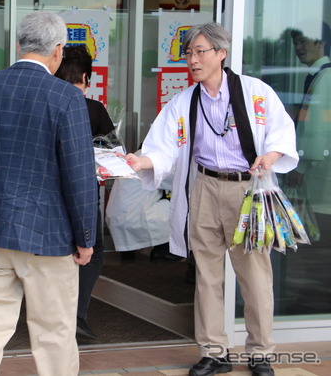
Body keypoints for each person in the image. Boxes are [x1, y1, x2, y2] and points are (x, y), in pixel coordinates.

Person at [124, 22, 298, 376]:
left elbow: (282, 131)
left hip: (246, 190)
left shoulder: (254, 92)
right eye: (189, 53)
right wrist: (142, 161)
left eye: (200, 51)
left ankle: (261, 352)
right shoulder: (184, 101)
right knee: (206, 274)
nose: (192, 59)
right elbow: (163, 146)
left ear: (221, 53)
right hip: (203, 187)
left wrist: (272, 156)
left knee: (254, 275)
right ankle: (214, 352)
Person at [0, 11, 98, 376]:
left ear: (19, 46)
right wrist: (86, 237)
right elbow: (78, 175)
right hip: (48, 236)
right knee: (54, 331)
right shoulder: (66, 97)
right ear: (58, 51)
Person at [54, 44, 113, 340]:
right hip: (86, 193)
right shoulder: (93, 109)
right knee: (92, 250)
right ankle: (77, 314)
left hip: (49, 194)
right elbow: (113, 154)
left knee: (56, 253)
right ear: (86, 78)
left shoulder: (47, 102)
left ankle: (56, 315)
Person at [288, 22, 331, 229]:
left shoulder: (325, 77)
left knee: (316, 232)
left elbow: (316, 128)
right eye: (296, 43)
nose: (298, 48)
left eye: (303, 41)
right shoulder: (319, 75)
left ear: (321, 42)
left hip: (318, 171)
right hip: (318, 169)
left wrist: (301, 166)